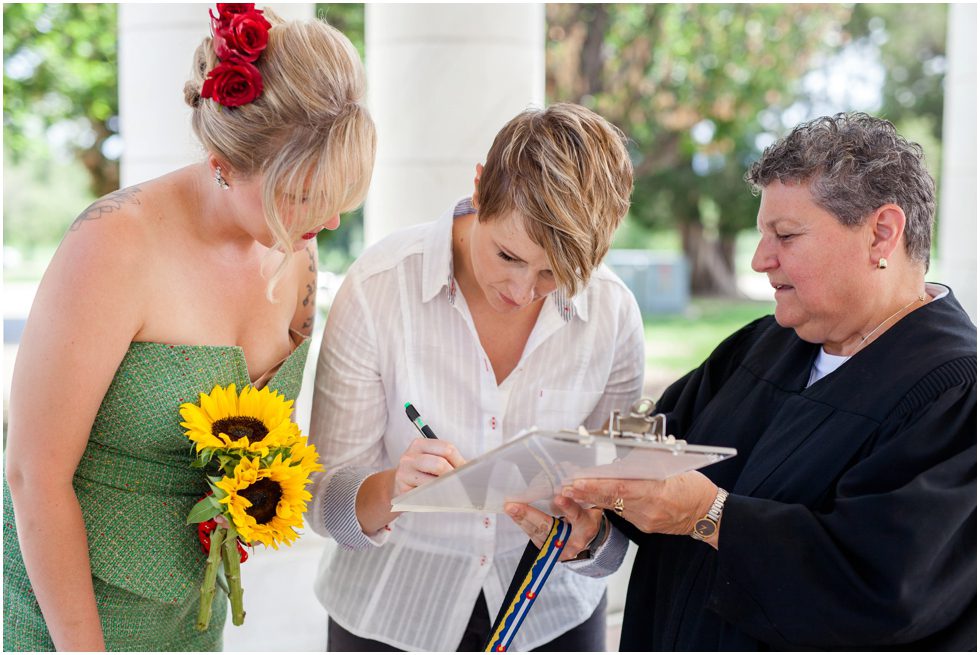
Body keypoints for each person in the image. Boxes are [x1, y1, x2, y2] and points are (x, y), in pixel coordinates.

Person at [507, 112, 976, 650]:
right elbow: (653, 469)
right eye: (761, 234)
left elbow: (890, 589)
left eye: (786, 235)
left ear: (881, 234)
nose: (759, 260)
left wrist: (710, 516)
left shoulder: (953, 396)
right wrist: (590, 530)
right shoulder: (762, 346)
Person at [2, 5, 375, 651]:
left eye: (339, 196)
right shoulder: (114, 243)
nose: (329, 220)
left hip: (191, 610)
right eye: (305, 194)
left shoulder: (299, 249)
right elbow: (33, 473)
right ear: (228, 160)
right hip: (62, 606)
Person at [308, 103, 645, 651]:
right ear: (481, 187)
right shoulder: (378, 288)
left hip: (553, 618)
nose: (520, 291)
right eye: (509, 255)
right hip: (389, 615)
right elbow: (320, 501)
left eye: (552, 275)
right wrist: (394, 488)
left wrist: (591, 537)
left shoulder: (612, 312)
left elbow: (617, 528)